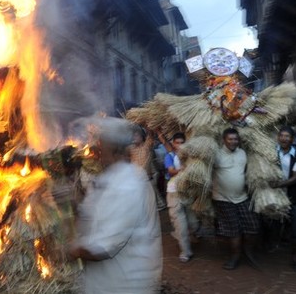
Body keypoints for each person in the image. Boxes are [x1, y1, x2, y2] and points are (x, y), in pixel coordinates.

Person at [68, 118, 162, 294]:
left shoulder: (128, 185)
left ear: (115, 148)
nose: (95, 148)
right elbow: (89, 216)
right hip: (105, 282)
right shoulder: (108, 178)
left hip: (125, 284)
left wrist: (68, 251)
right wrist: (69, 201)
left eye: (100, 143)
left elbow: (101, 248)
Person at [212, 128, 260, 270]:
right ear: (223, 140)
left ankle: (248, 251)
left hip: (242, 198)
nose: (233, 141)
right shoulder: (215, 154)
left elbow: (246, 172)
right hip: (223, 198)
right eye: (230, 139)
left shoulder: (243, 153)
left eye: (235, 139)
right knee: (234, 230)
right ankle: (235, 256)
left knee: (253, 226)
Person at [269, 126, 296, 275]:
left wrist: (277, 184)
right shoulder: (272, 152)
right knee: (272, 222)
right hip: (276, 196)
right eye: (282, 136)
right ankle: (273, 244)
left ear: (292, 139)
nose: (284, 138)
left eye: (287, 136)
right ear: (278, 137)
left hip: (294, 197)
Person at [165, 132, 199, 263]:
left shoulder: (190, 157)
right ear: (173, 144)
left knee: (194, 223)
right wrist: (184, 169)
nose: (179, 145)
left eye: (182, 142)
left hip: (188, 193)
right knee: (181, 225)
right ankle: (186, 251)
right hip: (174, 194)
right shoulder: (170, 156)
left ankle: (180, 234)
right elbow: (171, 170)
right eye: (177, 143)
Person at [128, 126, 166, 211]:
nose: (135, 137)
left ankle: (160, 205)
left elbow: (150, 136)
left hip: (148, 176)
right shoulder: (131, 148)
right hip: (137, 178)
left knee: (152, 194)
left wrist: (148, 125)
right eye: (133, 136)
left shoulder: (146, 146)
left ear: (142, 137)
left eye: (137, 135)